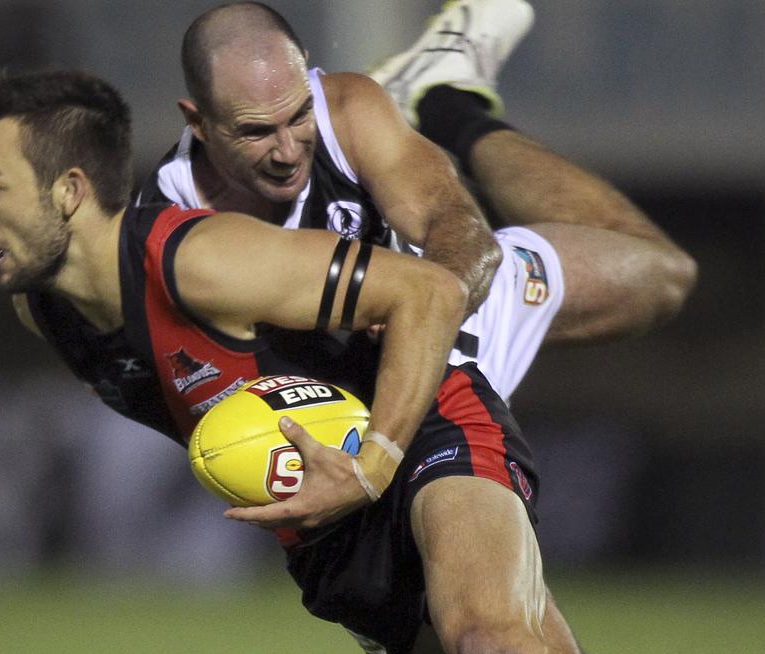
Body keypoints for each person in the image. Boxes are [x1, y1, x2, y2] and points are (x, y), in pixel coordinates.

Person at [0, 69, 660, 654]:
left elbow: (429, 289)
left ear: (70, 191)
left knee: (494, 644)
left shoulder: (199, 259)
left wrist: (374, 461)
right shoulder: (45, 308)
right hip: (326, 534)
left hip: (414, 434)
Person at [144, 0, 698, 402]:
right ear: (198, 120)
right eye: (257, 131)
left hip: (451, 309)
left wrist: (424, 308)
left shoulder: (346, 111)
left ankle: (446, 106)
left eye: (298, 115)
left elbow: (457, 227)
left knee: (663, 276)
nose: (289, 151)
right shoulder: (164, 225)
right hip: (344, 406)